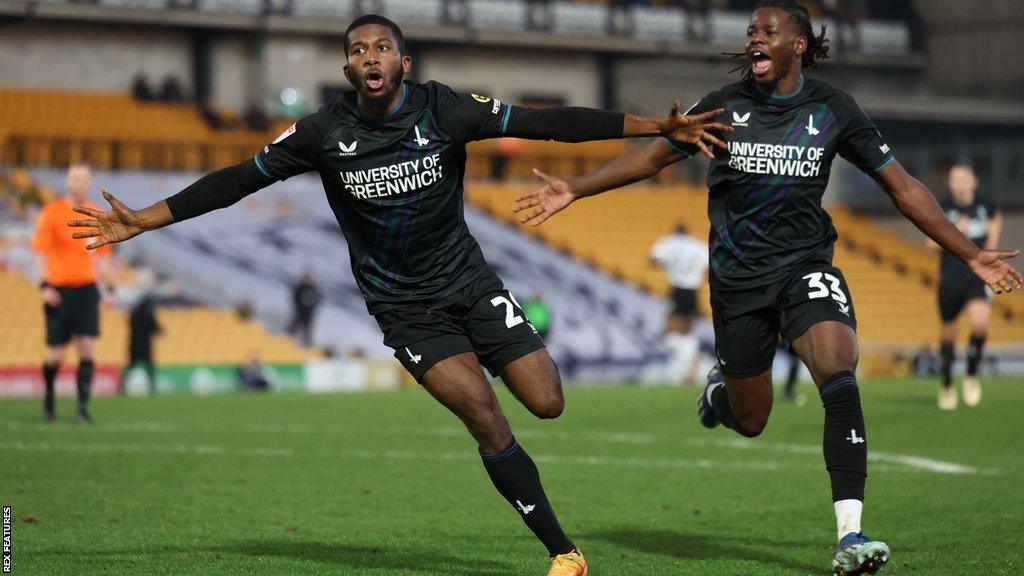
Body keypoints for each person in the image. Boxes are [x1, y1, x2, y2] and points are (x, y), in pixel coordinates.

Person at [67, 14, 727, 576]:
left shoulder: (445, 108)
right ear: (349, 71)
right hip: (404, 309)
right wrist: (144, 218)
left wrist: (649, 125)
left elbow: (549, 120)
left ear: (402, 63)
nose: (369, 56)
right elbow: (239, 179)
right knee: (483, 415)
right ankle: (565, 553)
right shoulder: (321, 133)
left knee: (547, 401)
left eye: (381, 47)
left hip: (470, 283)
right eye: (357, 51)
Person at [512, 2, 1022, 574]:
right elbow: (653, 157)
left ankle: (850, 536)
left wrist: (970, 252)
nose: (754, 38)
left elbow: (902, 188)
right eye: (751, 31)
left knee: (837, 367)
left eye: (768, 31)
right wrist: (576, 189)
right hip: (737, 282)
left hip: (805, 265)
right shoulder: (723, 106)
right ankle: (719, 392)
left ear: (798, 44)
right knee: (751, 419)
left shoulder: (832, 109)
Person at [32, 163, 116, 424]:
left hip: (86, 290)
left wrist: (110, 288)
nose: (79, 183)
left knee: (87, 349)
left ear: (89, 183)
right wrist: (45, 286)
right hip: (58, 290)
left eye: (83, 179)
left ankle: (82, 409)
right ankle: (48, 399)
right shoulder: (51, 212)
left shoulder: (98, 214)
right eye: (74, 179)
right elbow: (40, 253)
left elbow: (102, 258)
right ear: (67, 181)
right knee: (56, 355)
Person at [932, 164, 1000, 410]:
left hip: (976, 277)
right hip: (950, 277)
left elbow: (993, 233)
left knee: (981, 324)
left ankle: (971, 373)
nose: (960, 184)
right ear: (949, 183)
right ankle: (947, 383)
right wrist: (953, 233)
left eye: (964, 179)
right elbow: (928, 245)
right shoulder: (941, 207)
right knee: (949, 332)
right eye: (955, 180)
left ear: (974, 182)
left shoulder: (987, 206)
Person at [651, 222, 708, 386]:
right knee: (687, 331)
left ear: (675, 233)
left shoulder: (669, 243)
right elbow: (708, 265)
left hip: (678, 288)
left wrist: (665, 262)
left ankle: (690, 366)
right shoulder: (697, 245)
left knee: (670, 331)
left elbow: (655, 258)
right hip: (693, 290)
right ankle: (691, 368)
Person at [126, 290, 161, 394]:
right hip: (145, 345)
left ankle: (122, 385)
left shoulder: (134, 313)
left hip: (134, 344)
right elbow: (155, 326)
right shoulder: (148, 313)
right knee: (149, 367)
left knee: (131, 366)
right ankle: (152, 387)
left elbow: (129, 324)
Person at [289, 270, 322, 346]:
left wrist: (312, 308)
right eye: (306, 278)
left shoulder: (313, 288)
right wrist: (298, 306)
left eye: (309, 278)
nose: (307, 280)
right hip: (300, 310)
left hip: (309, 312)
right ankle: (288, 338)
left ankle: (307, 344)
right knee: (294, 325)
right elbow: (295, 297)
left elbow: (317, 300)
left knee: (307, 329)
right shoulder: (299, 287)